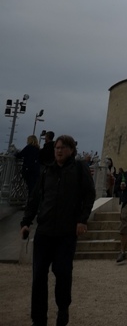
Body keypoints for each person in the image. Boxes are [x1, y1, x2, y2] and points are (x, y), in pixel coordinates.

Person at [20, 134, 95, 326]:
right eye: (56, 148)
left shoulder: (79, 169)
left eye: (62, 148)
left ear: (71, 149)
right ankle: (39, 319)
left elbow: (89, 195)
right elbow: (35, 198)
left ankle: (63, 310)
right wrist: (26, 221)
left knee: (62, 274)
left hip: (66, 233)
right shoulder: (47, 171)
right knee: (38, 277)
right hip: (44, 231)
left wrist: (82, 220)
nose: (58, 151)